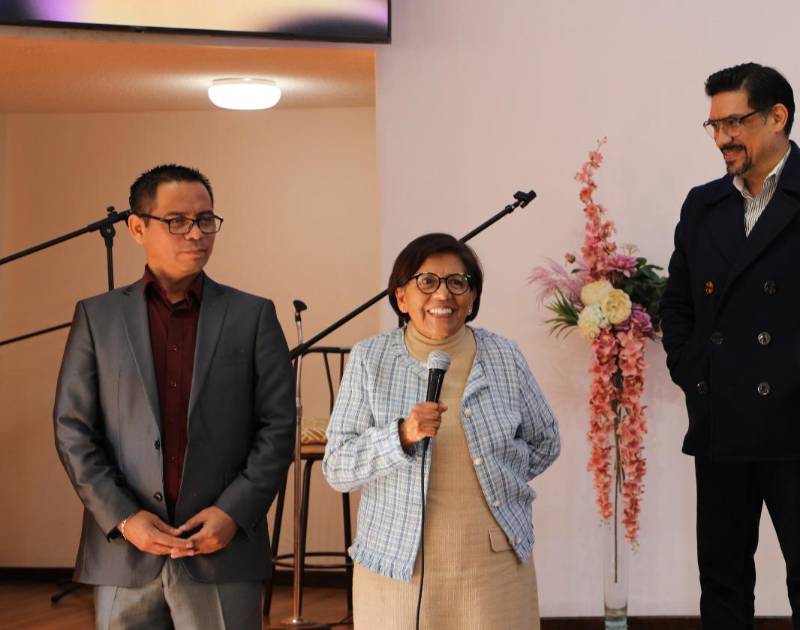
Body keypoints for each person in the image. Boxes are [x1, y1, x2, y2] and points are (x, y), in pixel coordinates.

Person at [660, 62, 800, 629]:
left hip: (796, 422)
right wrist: (691, 368)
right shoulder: (702, 204)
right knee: (721, 578)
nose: (722, 138)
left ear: (777, 116)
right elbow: (678, 303)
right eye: (714, 126)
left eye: (733, 122)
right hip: (719, 418)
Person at [53, 164, 295, 629]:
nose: (196, 233)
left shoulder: (253, 315)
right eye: (177, 221)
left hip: (222, 550)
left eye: (205, 220)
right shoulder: (97, 318)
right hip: (124, 553)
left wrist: (232, 513)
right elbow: (73, 430)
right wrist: (125, 518)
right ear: (137, 227)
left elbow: (278, 426)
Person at [323, 232, 560, 629]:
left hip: (493, 564)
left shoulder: (504, 355)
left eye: (457, 282)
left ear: (472, 296)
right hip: (396, 565)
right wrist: (400, 436)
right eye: (427, 281)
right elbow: (337, 467)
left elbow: (545, 439)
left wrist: (498, 476)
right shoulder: (370, 358)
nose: (443, 294)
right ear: (401, 297)